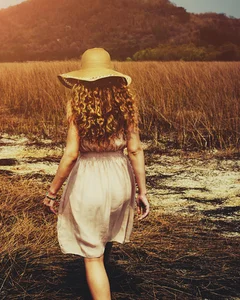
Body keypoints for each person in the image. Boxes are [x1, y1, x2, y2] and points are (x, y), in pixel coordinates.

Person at [41, 47, 150, 300]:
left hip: (89, 180)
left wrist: (51, 192)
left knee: (92, 257)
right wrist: (141, 192)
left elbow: (70, 154)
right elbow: (135, 151)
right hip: (120, 179)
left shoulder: (76, 106)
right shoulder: (127, 106)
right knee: (106, 234)